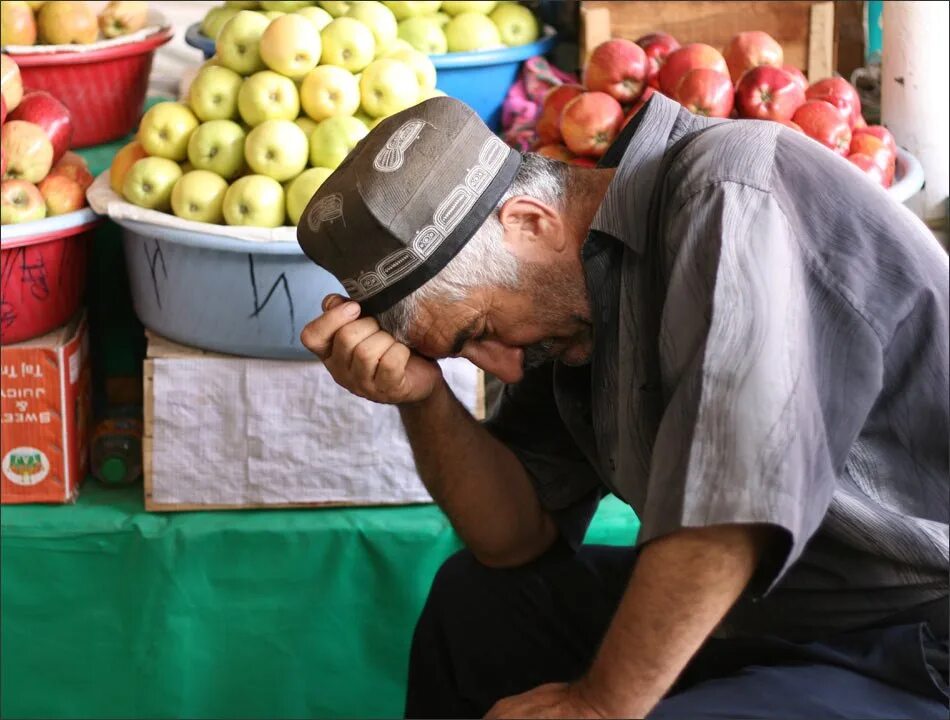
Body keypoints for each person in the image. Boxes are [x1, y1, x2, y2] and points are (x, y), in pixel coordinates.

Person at [296, 96, 949, 719]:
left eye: (480, 330)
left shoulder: (730, 192)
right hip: (774, 617)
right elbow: (515, 543)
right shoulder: (574, 292)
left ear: (529, 222)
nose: (491, 360)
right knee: (479, 604)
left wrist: (599, 704)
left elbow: (735, 494)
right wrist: (424, 397)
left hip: (919, 634)